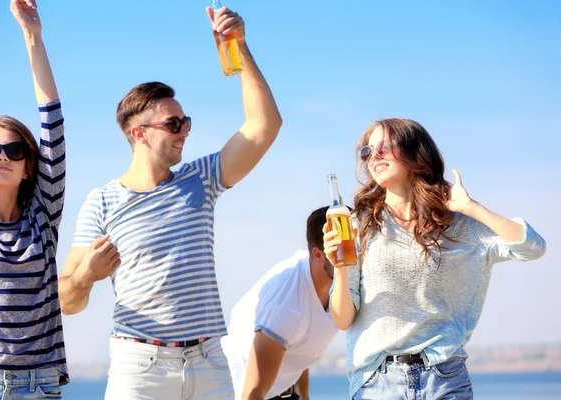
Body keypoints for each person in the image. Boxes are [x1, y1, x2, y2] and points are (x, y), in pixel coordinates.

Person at [58, 5, 282, 400]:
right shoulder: (102, 202)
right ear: (139, 133)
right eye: (173, 124)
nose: (185, 132)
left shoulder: (203, 178)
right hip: (140, 367)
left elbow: (265, 125)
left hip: (210, 360)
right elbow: (68, 301)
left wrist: (239, 48)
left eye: (186, 122)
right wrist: (85, 276)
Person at [324, 118, 546, 399]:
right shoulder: (358, 224)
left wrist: (472, 208)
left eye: (385, 147)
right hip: (378, 384)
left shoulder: (458, 225)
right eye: (367, 152)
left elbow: (532, 247)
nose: (374, 156)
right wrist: (340, 269)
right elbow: (342, 319)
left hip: (445, 379)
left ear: (414, 151)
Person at [0, 0, 68, 398]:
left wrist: (32, 37)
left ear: (29, 168)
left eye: (15, 151)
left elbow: (52, 122)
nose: (2, 156)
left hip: (39, 386)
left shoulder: (42, 215)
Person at [222, 206, 341, 400]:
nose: (355, 255)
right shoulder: (286, 306)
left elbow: (300, 347)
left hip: (283, 392)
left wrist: (305, 397)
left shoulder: (339, 287)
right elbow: (252, 393)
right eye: (342, 249)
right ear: (319, 255)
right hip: (239, 392)